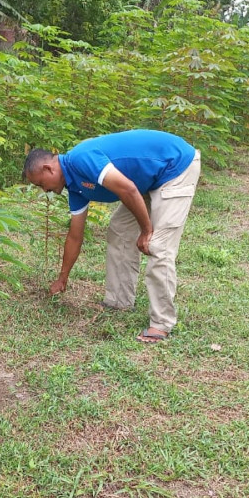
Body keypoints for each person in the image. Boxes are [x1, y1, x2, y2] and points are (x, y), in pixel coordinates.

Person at [22, 130, 201, 343]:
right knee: (119, 230)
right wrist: (62, 278)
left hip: (175, 166)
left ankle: (161, 325)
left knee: (157, 245)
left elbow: (128, 189)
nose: (45, 191)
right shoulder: (75, 187)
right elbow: (75, 236)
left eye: (41, 184)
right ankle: (119, 300)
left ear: (48, 168)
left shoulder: (81, 159)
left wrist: (146, 230)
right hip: (146, 179)